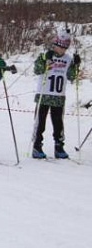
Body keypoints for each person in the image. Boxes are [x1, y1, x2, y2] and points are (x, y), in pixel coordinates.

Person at [32, 30, 82, 159]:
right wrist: (44, 60)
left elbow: (71, 77)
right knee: (40, 122)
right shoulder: (45, 55)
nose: (62, 50)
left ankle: (59, 146)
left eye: (65, 48)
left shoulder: (68, 59)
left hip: (58, 96)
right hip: (44, 94)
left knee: (58, 123)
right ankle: (37, 146)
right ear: (55, 44)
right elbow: (37, 70)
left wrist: (76, 65)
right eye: (60, 47)